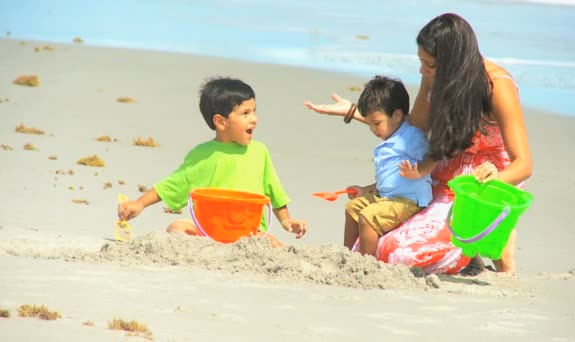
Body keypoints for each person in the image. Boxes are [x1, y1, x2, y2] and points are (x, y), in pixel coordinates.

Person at [304, 13, 532, 275]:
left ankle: (488, 236)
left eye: (430, 65)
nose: (423, 70)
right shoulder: (433, 76)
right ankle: (467, 253)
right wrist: (359, 113)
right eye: (421, 62)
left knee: (399, 255)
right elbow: (413, 128)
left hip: (480, 187)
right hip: (439, 168)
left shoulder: (497, 87)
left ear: (453, 63)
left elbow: (523, 164)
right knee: (373, 244)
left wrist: (494, 179)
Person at [118, 77, 307, 245]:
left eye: (254, 111)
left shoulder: (259, 151)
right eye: (245, 113)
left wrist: (287, 222)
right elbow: (172, 184)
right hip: (207, 227)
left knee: (270, 244)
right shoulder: (203, 154)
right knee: (176, 227)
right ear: (221, 122)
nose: (254, 119)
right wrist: (140, 203)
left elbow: (275, 193)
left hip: (248, 231)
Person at [342, 75, 433, 256]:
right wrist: (365, 189)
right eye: (369, 124)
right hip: (387, 196)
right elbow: (388, 178)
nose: (373, 130)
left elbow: (434, 155)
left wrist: (419, 171)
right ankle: (347, 254)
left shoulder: (410, 137)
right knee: (352, 208)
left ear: (397, 115)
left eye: (376, 123)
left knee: (368, 217)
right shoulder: (391, 139)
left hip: (408, 201)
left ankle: (365, 261)